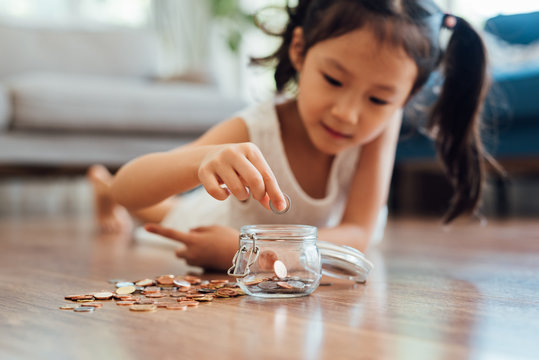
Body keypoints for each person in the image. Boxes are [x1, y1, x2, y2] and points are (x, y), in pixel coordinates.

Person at [89, 0, 493, 270]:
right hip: (224, 219)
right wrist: (199, 162)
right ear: (299, 51)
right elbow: (135, 190)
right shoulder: (255, 128)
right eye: (334, 80)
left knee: (165, 211)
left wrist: (243, 251)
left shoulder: (379, 131)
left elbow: (357, 233)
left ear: (407, 96)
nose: (349, 114)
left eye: (380, 99)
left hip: (254, 237)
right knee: (157, 208)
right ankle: (103, 188)